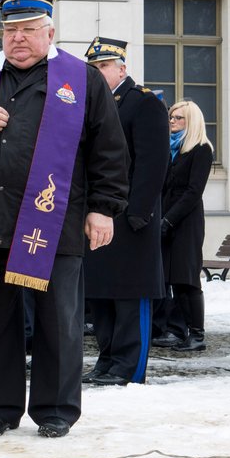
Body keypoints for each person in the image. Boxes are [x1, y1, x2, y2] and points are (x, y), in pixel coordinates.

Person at [0, 0, 128, 438]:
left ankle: (55, 409)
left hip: (56, 222)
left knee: (58, 320)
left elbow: (110, 151)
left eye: (28, 30)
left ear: (50, 31)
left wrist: (104, 208)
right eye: (10, 29)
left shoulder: (82, 79)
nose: (17, 38)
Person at [81, 37, 170, 385]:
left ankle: (129, 366)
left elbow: (153, 163)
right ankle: (107, 359)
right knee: (102, 295)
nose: (98, 73)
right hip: (99, 215)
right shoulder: (90, 106)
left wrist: (139, 213)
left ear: (122, 68)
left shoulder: (142, 103)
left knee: (130, 297)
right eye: (93, 68)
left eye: (104, 66)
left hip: (132, 219)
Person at [159, 100, 214, 352]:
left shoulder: (201, 149)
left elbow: (193, 192)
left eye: (178, 118)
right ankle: (175, 330)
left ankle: (198, 335)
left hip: (186, 221)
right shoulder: (172, 149)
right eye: (171, 117)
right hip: (166, 218)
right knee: (170, 278)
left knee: (187, 279)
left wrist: (169, 219)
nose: (172, 121)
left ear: (191, 121)